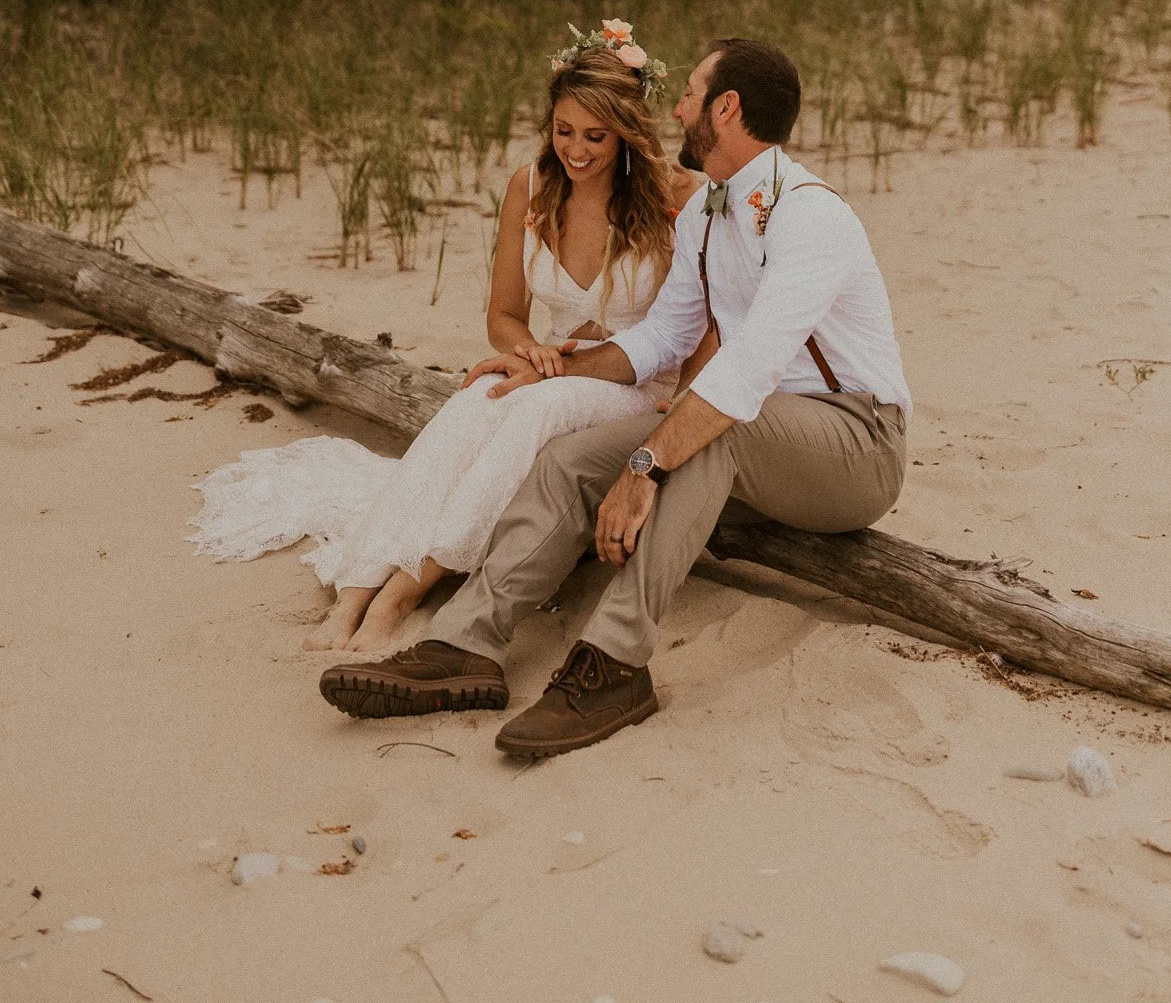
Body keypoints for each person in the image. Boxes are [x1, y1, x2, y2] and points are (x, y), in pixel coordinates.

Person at [317, 38, 911, 754]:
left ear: (726, 109)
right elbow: (661, 337)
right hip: (753, 438)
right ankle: (464, 644)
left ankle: (614, 665)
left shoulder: (808, 215)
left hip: (854, 443)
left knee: (716, 431)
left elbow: (746, 369)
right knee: (567, 459)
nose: (678, 105)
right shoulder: (701, 214)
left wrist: (642, 469)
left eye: (692, 92)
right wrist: (554, 370)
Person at [190, 24, 697, 653]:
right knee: (479, 398)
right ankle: (357, 587)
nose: (576, 150)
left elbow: (685, 330)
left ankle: (405, 589)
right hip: (551, 372)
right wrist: (528, 351)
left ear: (628, 130)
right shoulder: (532, 188)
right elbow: (505, 316)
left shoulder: (677, 198)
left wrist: (556, 374)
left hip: (637, 387)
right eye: (562, 131)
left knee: (534, 408)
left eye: (595, 136)